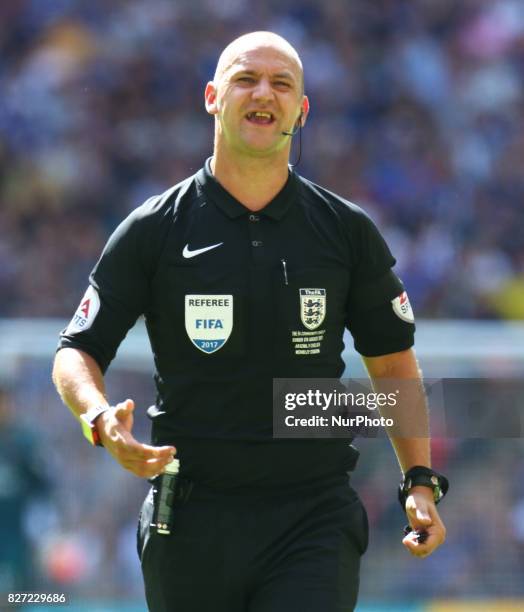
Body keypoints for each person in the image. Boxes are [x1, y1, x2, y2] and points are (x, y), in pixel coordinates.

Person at [52, 31, 448, 612]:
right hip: (190, 517)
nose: (264, 92)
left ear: (302, 111)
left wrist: (420, 479)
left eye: (282, 83)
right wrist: (97, 417)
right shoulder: (155, 229)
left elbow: (391, 362)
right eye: (246, 78)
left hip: (312, 516)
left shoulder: (345, 230)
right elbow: (76, 350)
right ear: (213, 96)